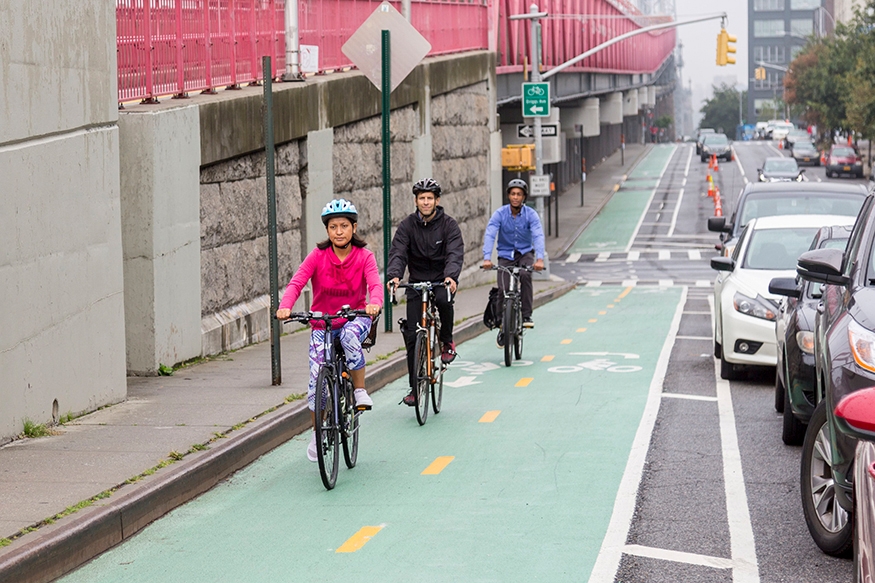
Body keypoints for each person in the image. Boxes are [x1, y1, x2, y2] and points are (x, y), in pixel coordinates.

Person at [275, 199, 382, 462]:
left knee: (347, 337)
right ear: (327, 231)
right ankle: (317, 432)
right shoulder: (317, 256)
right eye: (333, 227)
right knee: (316, 385)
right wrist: (285, 306)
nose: (338, 231)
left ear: (353, 227)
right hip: (323, 323)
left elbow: (375, 284)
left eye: (344, 226)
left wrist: (374, 304)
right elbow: (297, 282)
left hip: (354, 318)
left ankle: (358, 389)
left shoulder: (364, 256)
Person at [386, 178, 464, 406]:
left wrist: (451, 276)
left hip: (441, 280)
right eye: (422, 198)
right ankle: (414, 389)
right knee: (412, 336)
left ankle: (447, 341)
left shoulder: (449, 225)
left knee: (444, 301)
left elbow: (454, 253)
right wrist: (394, 276)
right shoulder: (407, 226)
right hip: (417, 282)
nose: (426, 202)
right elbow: (398, 252)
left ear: (437, 201)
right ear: (416, 201)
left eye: (430, 198)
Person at [481, 178, 545, 342]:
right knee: (503, 288)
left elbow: (537, 235)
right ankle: (503, 324)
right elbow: (490, 234)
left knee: (525, 275)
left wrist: (539, 259)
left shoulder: (531, 214)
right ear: (508, 195)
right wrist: (487, 258)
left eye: (519, 194)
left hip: (525, 253)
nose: (516, 197)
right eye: (513, 194)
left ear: (524, 197)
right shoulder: (500, 214)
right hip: (505, 255)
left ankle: (526, 315)